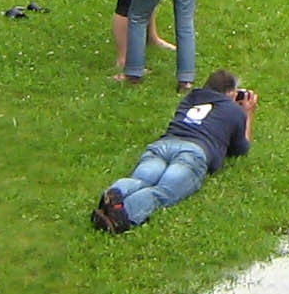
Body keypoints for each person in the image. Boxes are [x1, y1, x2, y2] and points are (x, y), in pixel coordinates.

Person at [92, 70, 257, 233]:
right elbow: (241, 149)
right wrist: (247, 114)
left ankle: (116, 192)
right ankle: (121, 216)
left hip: (164, 145)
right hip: (193, 152)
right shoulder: (234, 111)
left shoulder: (191, 98)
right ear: (230, 92)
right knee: (162, 191)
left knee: (139, 180)